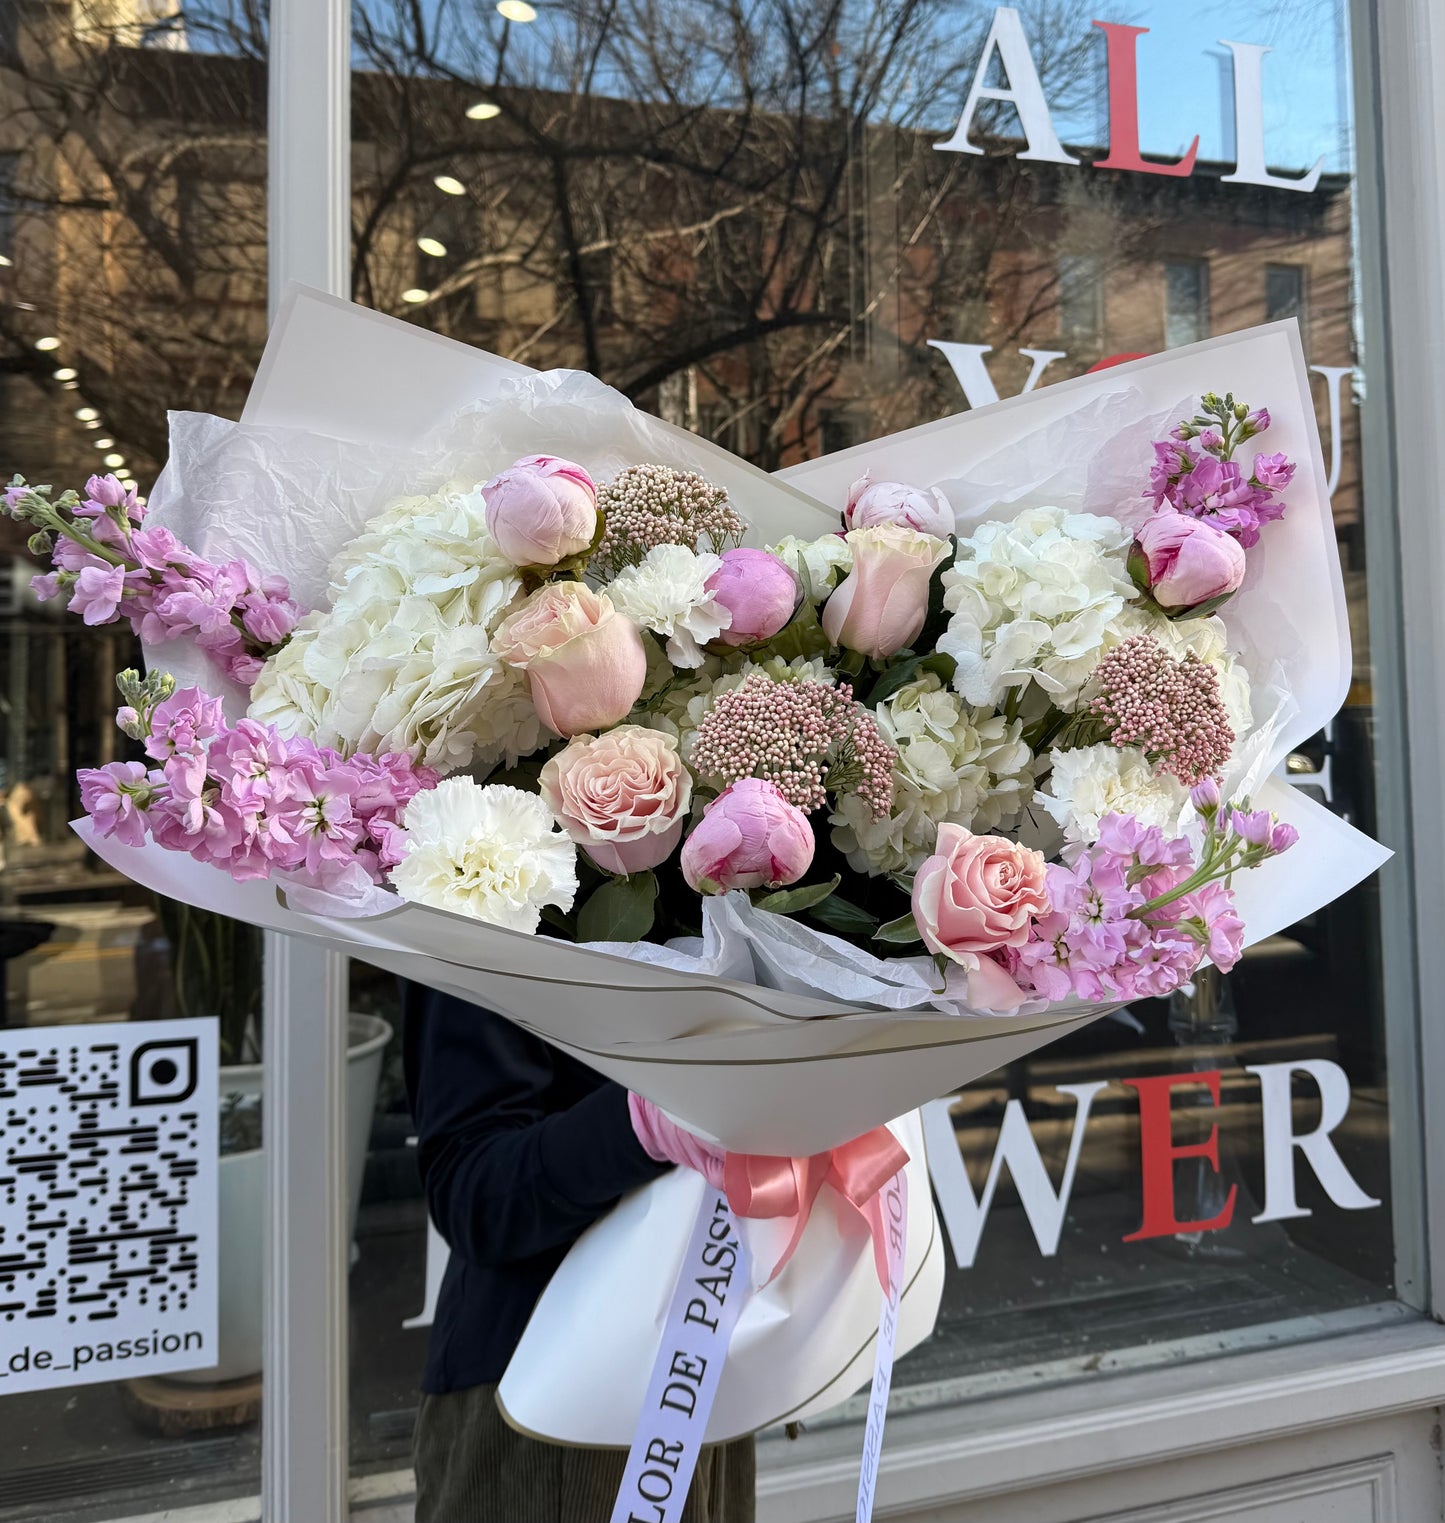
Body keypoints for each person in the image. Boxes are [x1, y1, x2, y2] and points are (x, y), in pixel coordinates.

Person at [404, 982, 757, 1523]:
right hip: (550, 1408)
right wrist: (644, 1124)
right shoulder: (481, 928)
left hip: (699, 1359)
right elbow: (470, 1187)